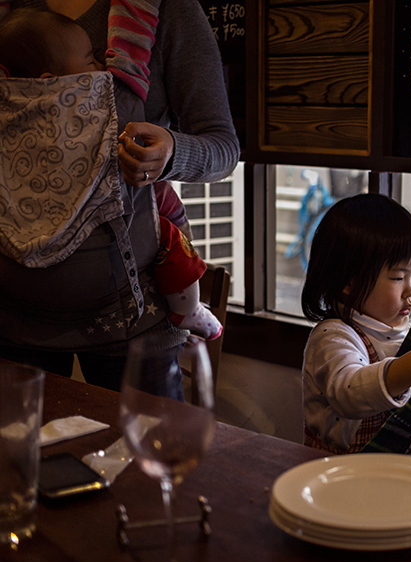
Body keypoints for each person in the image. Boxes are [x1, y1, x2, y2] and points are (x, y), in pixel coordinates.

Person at [0, 0, 238, 390]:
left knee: (146, 448)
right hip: (12, 323)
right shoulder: (10, 15)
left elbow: (224, 148)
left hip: (133, 322)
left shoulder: (167, 10)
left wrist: (171, 152)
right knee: (25, 450)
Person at [300, 194, 411, 454]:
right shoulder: (333, 337)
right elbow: (349, 393)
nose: (410, 291)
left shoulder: (405, 332)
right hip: (333, 473)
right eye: (397, 277)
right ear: (349, 282)